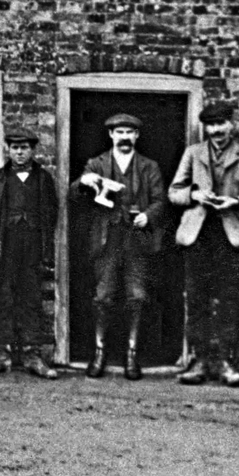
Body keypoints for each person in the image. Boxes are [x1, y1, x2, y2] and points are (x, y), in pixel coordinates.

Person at [169, 101, 239, 387]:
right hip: (198, 235)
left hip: (230, 235)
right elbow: (173, 192)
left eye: (221, 124)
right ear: (205, 128)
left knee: (229, 300)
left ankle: (226, 361)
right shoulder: (193, 153)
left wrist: (235, 201)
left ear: (230, 125)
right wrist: (193, 196)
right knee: (197, 299)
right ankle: (199, 361)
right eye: (211, 125)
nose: (216, 130)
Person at [74, 113, 167, 380]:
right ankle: (99, 352)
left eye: (130, 132)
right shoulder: (96, 163)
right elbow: (73, 195)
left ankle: (131, 354)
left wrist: (148, 215)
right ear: (111, 135)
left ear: (137, 136)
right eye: (120, 132)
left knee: (137, 296)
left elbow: (161, 200)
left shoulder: (149, 166)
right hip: (107, 238)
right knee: (103, 296)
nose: (125, 137)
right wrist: (84, 183)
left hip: (137, 239)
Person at [0, 129, 60, 380]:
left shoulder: (44, 179)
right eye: (15, 147)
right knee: (3, 297)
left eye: (24, 147)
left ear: (33, 150)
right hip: (5, 247)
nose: (20, 152)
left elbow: (51, 213)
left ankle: (32, 354)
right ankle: (2, 354)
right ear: (8, 150)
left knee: (32, 298)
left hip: (33, 247)